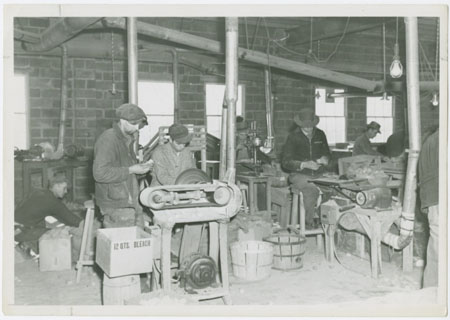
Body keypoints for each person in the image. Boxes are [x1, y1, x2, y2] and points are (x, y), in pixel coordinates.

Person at [93, 103, 152, 229]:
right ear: (122, 121)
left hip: (130, 200)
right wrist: (131, 170)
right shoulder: (108, 139)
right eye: (133, 124)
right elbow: (99, 173)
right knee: (123, 243)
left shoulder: (126, 139)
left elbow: (124, 167)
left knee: (138, 240)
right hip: (116, 204)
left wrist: (140, 169)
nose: (136, 128)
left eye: (139, 125)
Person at [281, 108, 331, 229]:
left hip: (319, 173)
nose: (309, 129)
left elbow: (328, 153)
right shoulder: (293, 137)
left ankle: (321, 217)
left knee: (333, 189)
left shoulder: (320, 134)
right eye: (305, 127)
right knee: (311, 190)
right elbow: (286, 162)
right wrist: (304, 164)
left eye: (311, 126)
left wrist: (325, 159)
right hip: (299, 175)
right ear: (300, 124)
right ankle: (309, 223)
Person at [15, 175, 83, 252]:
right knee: (57, 233)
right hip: (21, 233)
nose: (66, 192)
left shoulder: (38, 192)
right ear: (57, 185)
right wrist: (86, 224)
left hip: (12, 227)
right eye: (64, 188)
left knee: (52, 225)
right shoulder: (53, 201)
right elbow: (72, 219)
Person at [418, 128, 439, 288]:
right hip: (439, 198)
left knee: (436, 251)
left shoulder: (430, 140)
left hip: (432, 200)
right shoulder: (441, 139)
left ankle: (431, 291)